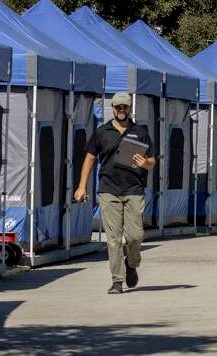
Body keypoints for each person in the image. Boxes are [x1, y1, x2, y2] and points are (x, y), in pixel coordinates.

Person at [74, 92, 156, 294]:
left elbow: (152, 160)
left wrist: (145, 163)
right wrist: (82, 186)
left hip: (134, 189)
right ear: (112, 109)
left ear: (129, 109)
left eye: (124, 107)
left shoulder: (140, 131)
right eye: (118, 107)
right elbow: (90, 159)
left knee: (135, 236)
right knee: (113, 238)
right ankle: (117, 281)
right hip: (108, 190)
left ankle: (132, 263)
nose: (121, 110)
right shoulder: (102, 132)